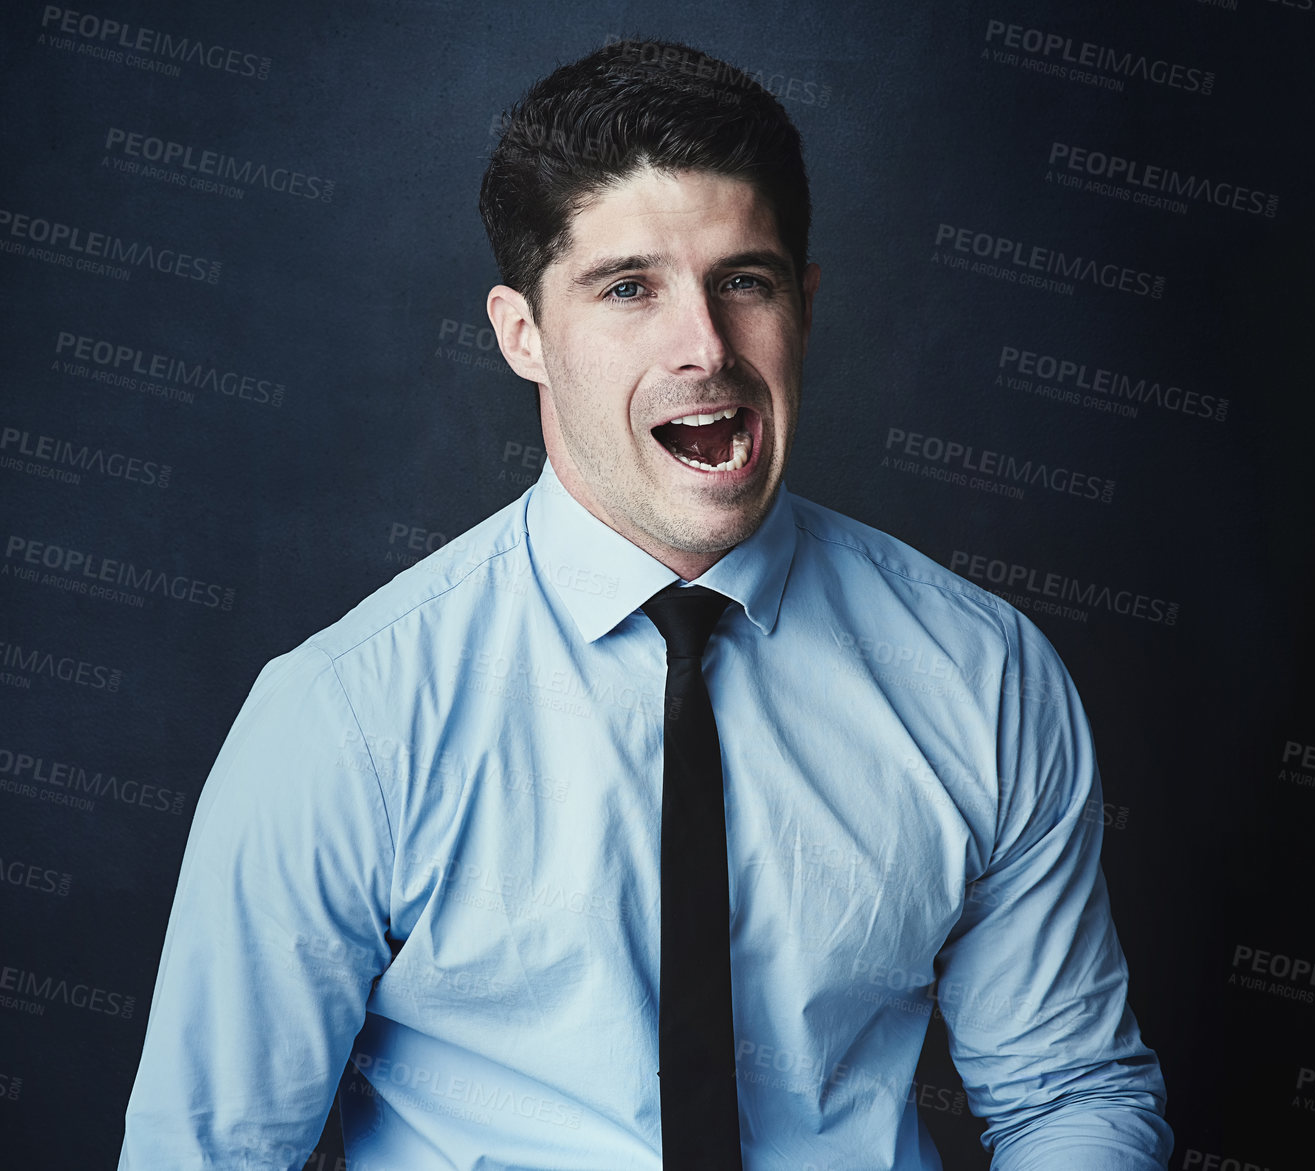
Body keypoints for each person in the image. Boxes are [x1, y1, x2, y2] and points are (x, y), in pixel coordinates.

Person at [119, 39, 1171, 1170]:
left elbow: (1069, 1092)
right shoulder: (345, 718)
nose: (704, 348)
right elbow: (208, 1152)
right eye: (628, 288)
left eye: (744, 282)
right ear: (521, 333)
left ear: (802, 308)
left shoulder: (980, 675)